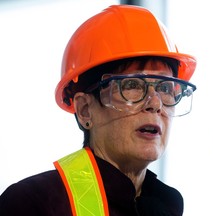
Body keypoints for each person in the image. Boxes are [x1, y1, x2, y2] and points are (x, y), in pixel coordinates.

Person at [0, 4, 197, 216]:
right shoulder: (33, 202)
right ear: (85, 110)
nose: (155, 103)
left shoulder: (166, 205)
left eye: (165, 88)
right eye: (131, 86)